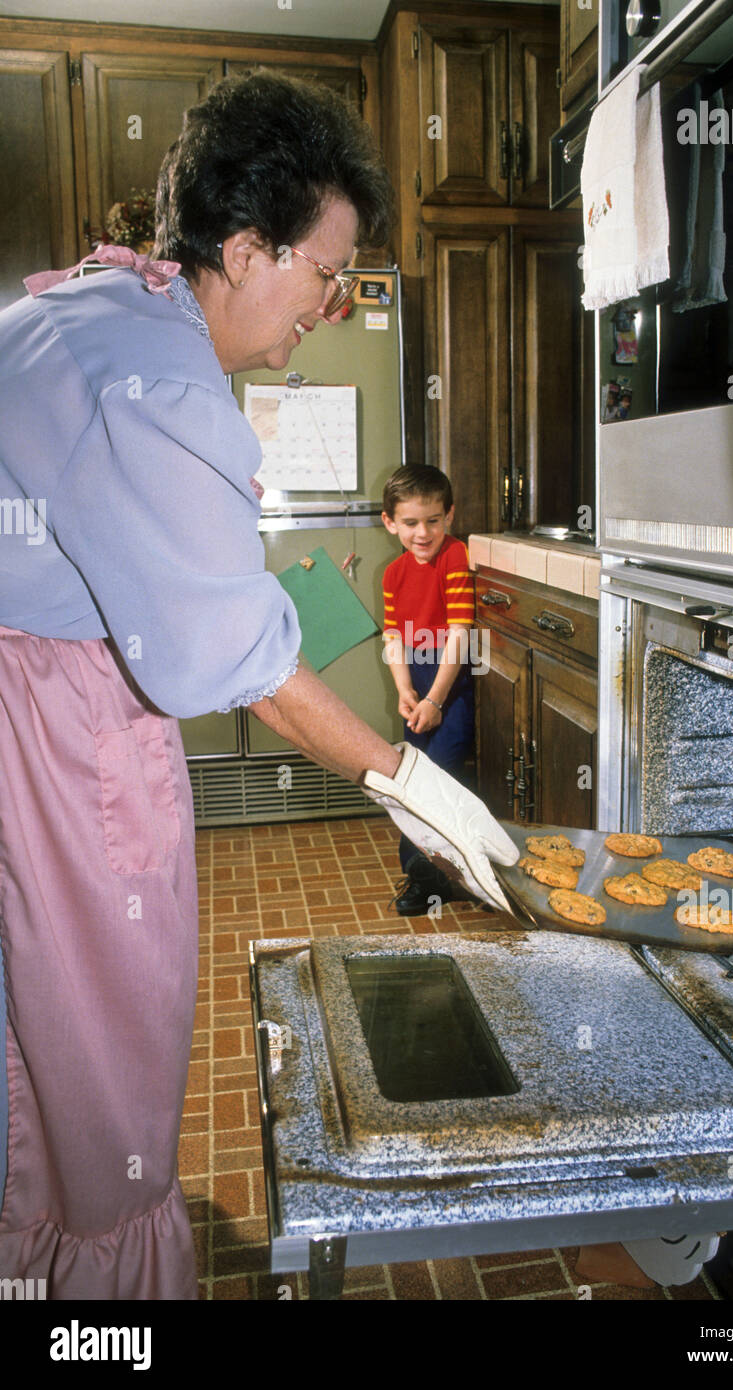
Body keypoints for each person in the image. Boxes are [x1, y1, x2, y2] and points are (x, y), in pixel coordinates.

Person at [0, 71, 516, 1301]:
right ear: (244, 248)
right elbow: (225, 654)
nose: (333, 306)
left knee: (31, 1064)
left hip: (41, 698)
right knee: (93, 1079)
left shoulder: (103, 313)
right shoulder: (158, 376)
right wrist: (410, 784)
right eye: (326, 273)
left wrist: (311, 614)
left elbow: (171, 594)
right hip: (53, 752)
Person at [380, 466, 477, 915]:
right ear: (390, 522)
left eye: (433, 520)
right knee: (416, 779)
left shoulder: (454, 557)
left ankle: (445, 876)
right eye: (412, 522)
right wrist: (405, 690)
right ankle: (425, 875)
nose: (424, 532)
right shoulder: (392, 574)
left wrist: (436, 700)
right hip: (417, 682)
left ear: (449, 516)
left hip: (448, 681)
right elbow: (394, 638)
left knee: (441, 778)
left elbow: (460, 633)